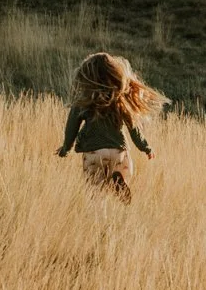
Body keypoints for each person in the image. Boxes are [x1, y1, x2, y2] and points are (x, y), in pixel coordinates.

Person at [57, 52, 167, 204]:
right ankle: (119, 181)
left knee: (95, 194)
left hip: (94, 152)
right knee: (124, 175)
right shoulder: (120, 100)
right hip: (119, 152)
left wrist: (66, 148)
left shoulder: (84, 100)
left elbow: (72, 127)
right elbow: (134, 129)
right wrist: (145, 147)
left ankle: (100, 222)